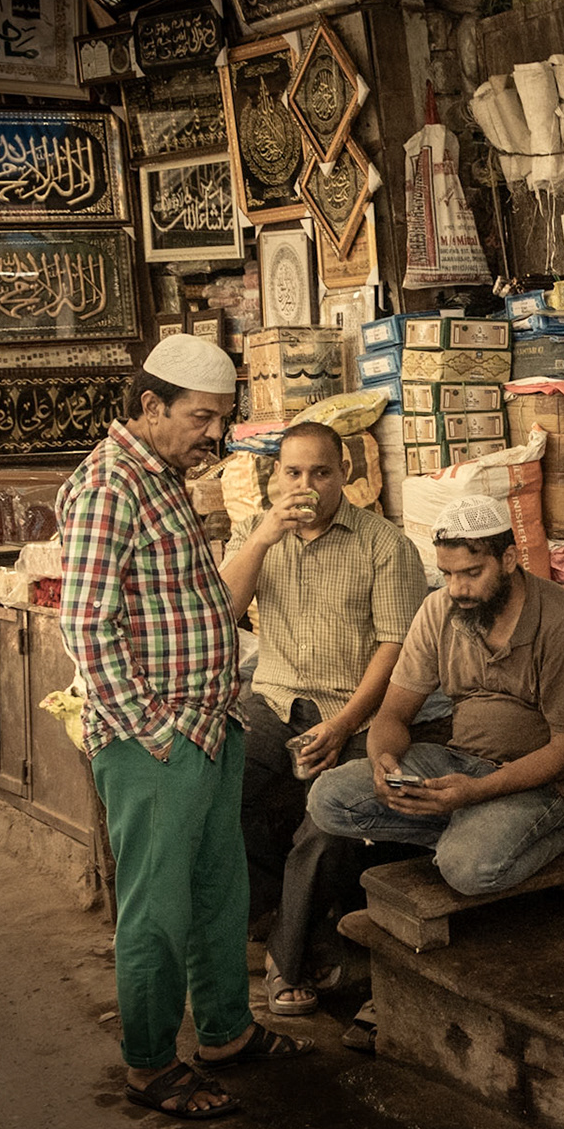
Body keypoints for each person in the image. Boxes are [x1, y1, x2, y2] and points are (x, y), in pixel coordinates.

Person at [58, 335, 311, 1122]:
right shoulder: (110, 485)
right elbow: (87, 625)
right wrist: (153, 730)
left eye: (222, 419)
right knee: (158, 912)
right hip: (157, 744)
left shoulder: (161, 476)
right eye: (201, 417)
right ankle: (150, 1064)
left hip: (208, 726)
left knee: (216, 895)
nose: (214, 434)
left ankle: (226, 1033)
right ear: (150, 405)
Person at [306, 492, 564, 916]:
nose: (457, 589)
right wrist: (383, 762)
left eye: (471, 573)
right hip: (460, 763)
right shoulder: (439, 610)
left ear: (508, 559)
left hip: (542, 786)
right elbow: (393, 714)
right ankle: (468, 829)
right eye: (447, 574)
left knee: (467, 870)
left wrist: (477, 793)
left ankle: (541, 831)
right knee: (328, 798)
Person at [219, 421, 426, 1016]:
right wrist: (263, 538)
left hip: (356, 712)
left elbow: (395, 649)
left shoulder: (384, 545)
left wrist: (341, 725)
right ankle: (268, 914)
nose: (305, 485)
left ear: (345, 475)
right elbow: (223, 611)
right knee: (216, 786)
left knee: (329, 820)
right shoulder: (256, 534)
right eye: (293, 472)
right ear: (275, 475)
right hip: (275, 702)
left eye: (321, 472)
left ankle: (289, 958)